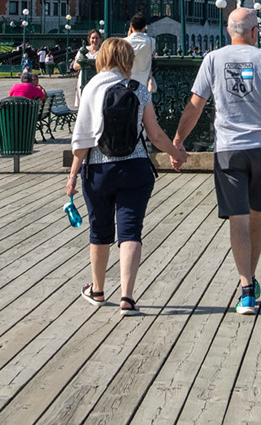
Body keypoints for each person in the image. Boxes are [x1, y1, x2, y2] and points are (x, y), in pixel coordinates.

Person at [173, 7, 261, 316]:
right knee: (256, 214)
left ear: (228, 32)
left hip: (228, 150)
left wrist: (178, 140)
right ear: (253, 33)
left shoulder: (212, 60)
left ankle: (246, 288)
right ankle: (250, 278)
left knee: (237, 218)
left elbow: (195, 105)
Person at [65, 37, 186, 312]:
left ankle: (97, 290)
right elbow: (154, 135)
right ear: (128, 59)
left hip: (98, 169)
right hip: (135, 168)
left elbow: (82, 139)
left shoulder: (92, 87)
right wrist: (176, 153)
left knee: (100, 229)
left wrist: (72, 176)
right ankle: (127, 297)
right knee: (131, 230)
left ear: (102, 57)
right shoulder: (139, 89)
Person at [125, 12, 157, 99]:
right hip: (144, 83)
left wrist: (128, 37)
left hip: (128, 82)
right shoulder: (151, 41)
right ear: (144, 26)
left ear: (131, 26)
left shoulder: (125, 42)